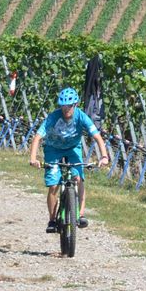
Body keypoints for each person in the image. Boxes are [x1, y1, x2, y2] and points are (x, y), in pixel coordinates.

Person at [27, 86, 109, 233]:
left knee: (78, 178)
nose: (66, 110)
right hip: (53, 149)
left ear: (75, 105)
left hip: (72, 148)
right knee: (53, 184)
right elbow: (38, 137)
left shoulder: (81, 116)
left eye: (69, 106)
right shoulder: (53, 117)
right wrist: (33, 158)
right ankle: (52, 220)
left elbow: (97, 137)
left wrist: (104, 156)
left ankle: (80, 214)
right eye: (63, 106)